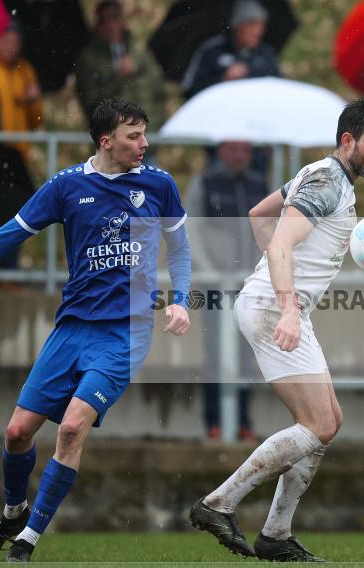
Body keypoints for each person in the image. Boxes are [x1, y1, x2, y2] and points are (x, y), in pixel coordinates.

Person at [0, 98, 192, 562]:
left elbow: (180, 251)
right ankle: (12, 514)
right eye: (133, 136)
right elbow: (4, 237)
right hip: (71, 329)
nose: (144, 144)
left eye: (145, 134)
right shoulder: (67, 186)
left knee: (72, 427)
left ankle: (27, 541)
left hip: (125, 333)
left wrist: (180, 301)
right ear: (106, 141)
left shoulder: (159, 185)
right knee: (18, 432)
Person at [189, 99, 364, 562]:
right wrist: (286, 305)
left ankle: (276, 533)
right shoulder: (326, 182)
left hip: (275, 303)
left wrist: (276, 276)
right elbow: (280, 240)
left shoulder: (321, 174)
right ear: (348, 141)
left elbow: (259, 214)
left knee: (328, 422)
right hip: (274, 308)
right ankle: (218, 504)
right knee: (318, 423)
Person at [184, 141, 267, 441]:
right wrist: (208, 271)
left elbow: (270, 230)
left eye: (245, 150)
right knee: (216, 353)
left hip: (250, 285)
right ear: (221, 151)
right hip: (216, 286)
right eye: (233, 150)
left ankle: (243, 421)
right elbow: (190, 229)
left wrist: (260, 272)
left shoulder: (260, 185)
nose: (239, 156)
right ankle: (214, 423)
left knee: (247, 354)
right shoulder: (205, 183)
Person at [75, 1, 166, 130]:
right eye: (106, 20)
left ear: (123, 21)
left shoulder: (140, 51)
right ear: (98, 25)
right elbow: (92, 104)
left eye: (115, 18)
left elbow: (158, 90)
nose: (111, 25)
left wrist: (154, 126)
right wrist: (118, 77)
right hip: (112, 135)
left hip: (147, 133)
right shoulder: (89, 59)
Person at [181, 0, 281, 99]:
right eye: (252, 24)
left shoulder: (266, 53)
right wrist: (223, 80)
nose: (258, 31)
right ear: (238, 25)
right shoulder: (213, 51)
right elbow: (190, 90)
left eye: (261, 24)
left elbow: (280, 88)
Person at [0, 21, 43, 162]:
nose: (11, 47)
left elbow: (37, 120)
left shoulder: (26, 70)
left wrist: (33, 101)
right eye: (6, 40)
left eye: (16, 42)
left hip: (20, 153)